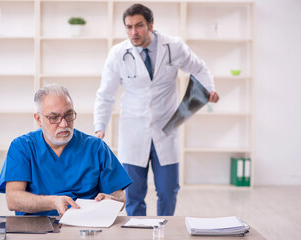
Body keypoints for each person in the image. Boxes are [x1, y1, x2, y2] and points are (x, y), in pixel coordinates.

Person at [94, 4, 219, 216]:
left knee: (168, 191)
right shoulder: (118, 54)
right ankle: (138, 234)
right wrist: (100, 126)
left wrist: (209, 88)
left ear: (151, 25)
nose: (134, 32)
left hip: (166, 128)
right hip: (133, 130)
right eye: (129, 27)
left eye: (139, 25)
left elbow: (199, 68)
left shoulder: (174, 46)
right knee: (133, 194)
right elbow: (105, 94)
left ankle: (166, 232)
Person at [0, 84, 132, 216]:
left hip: (85, 226)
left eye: (68, 115)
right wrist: (53, 202)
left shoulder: (96, 148)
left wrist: (112, 200)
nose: (64, 124)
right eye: (54, 118)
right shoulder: (22, 147)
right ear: (38, 119)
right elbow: (13, 199)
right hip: (35, 227)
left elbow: (120, 196)